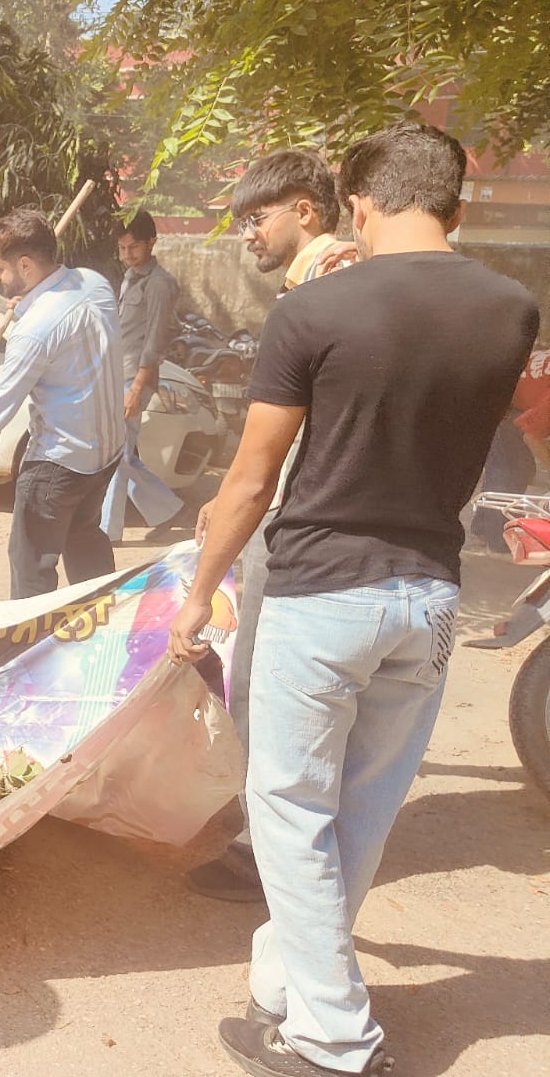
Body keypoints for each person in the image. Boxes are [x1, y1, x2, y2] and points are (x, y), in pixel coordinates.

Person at [168, 123, 537, 1077]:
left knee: (289, 808)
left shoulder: (316, 310)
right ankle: (284, 986)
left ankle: (331, 1036)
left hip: (323, 591)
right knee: (362, 810)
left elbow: (252, 480)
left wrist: (200, 592)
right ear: (457, 206)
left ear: (361, 205)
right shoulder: (512, 310)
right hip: (430, 600)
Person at [185, 148, 345, 903]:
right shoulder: (338, 282)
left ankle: (262, 852)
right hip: (317, 520)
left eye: (257, 218)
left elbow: (290, 441)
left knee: (261, 687)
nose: (247, 234)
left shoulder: (321, 295)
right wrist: (229, 490)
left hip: (294, 524)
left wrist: (205, 580)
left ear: (305, 210)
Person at [0, 209, 124, 599]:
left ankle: (32, 633)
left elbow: (1, 407)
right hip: (106, 453)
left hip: (59, 464)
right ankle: (103, 618)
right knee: (84, 540)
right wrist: (29, 304)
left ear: (26, 266)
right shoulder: (94, 283)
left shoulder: (35, 330)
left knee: (31, 563)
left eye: (0, 267)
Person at [101, 210, 186, 542]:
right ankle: (168, 510)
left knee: (116, 455)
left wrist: (137, 387)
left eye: (133, 247)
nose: (127, 255)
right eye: (122, 248)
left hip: (135, 379)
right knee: (121, 453)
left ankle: (106, 532)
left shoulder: (160, 284)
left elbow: (155, 340)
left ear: (152, 242)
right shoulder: (130, 277)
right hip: (117, 374)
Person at [468, 348, 550, 552]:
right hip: (498, 397)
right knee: (509, 470)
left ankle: (484, 526)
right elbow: (531, 436)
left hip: (503, 389)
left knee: (517, 467)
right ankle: (500, 538)